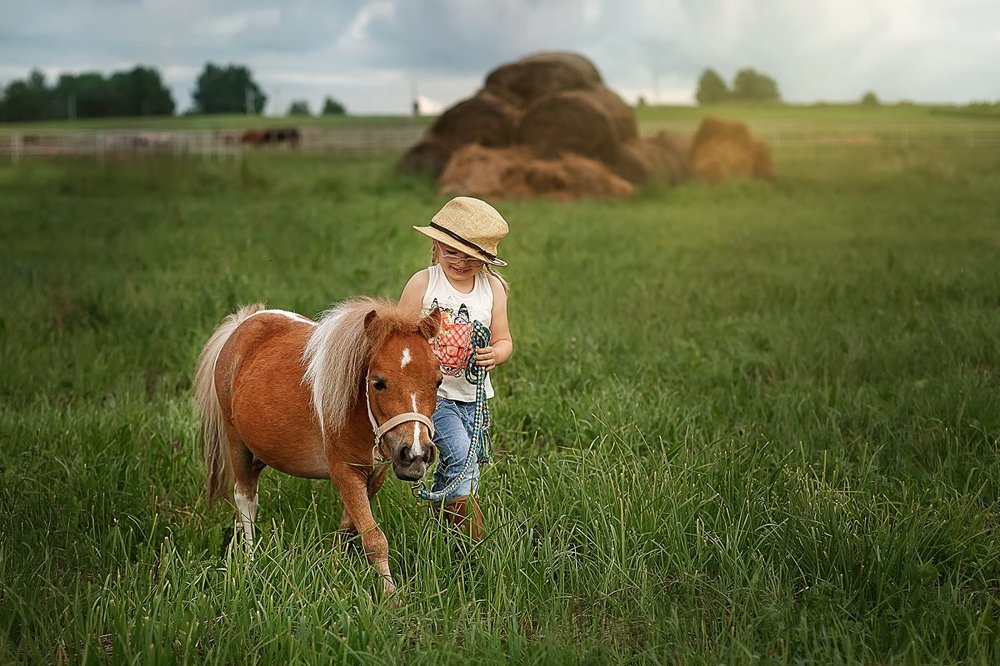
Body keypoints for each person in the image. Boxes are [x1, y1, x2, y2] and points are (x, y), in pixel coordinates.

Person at [398, 196, 513, 540]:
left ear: (485, 259)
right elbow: (400, 338)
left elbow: (504, 339)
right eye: (452, 252)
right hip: (437, 397)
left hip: (475, 398)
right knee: (464, 458)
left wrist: (496, 354)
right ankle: (471, 538)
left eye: (472, 257)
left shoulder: (492, 289)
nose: (460, 262)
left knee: (459, 462)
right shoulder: (424, 283)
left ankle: (440, 525)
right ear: (436, 244)